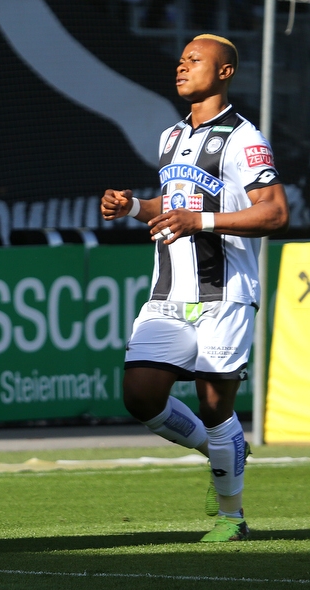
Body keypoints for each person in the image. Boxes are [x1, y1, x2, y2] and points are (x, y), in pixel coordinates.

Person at [101, 34, 289, 542]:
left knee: (214, 407)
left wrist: (199, 220)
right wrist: (134, 208)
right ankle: (221, 450)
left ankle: (232, 518)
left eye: (195, 61)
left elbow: (274, 211)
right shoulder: (170, 136)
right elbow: (175, 202)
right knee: (141, 396)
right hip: (167, 292)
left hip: (224, 292)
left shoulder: (244, 138)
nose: (181, 68)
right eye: (180, 60)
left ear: (224, 73)